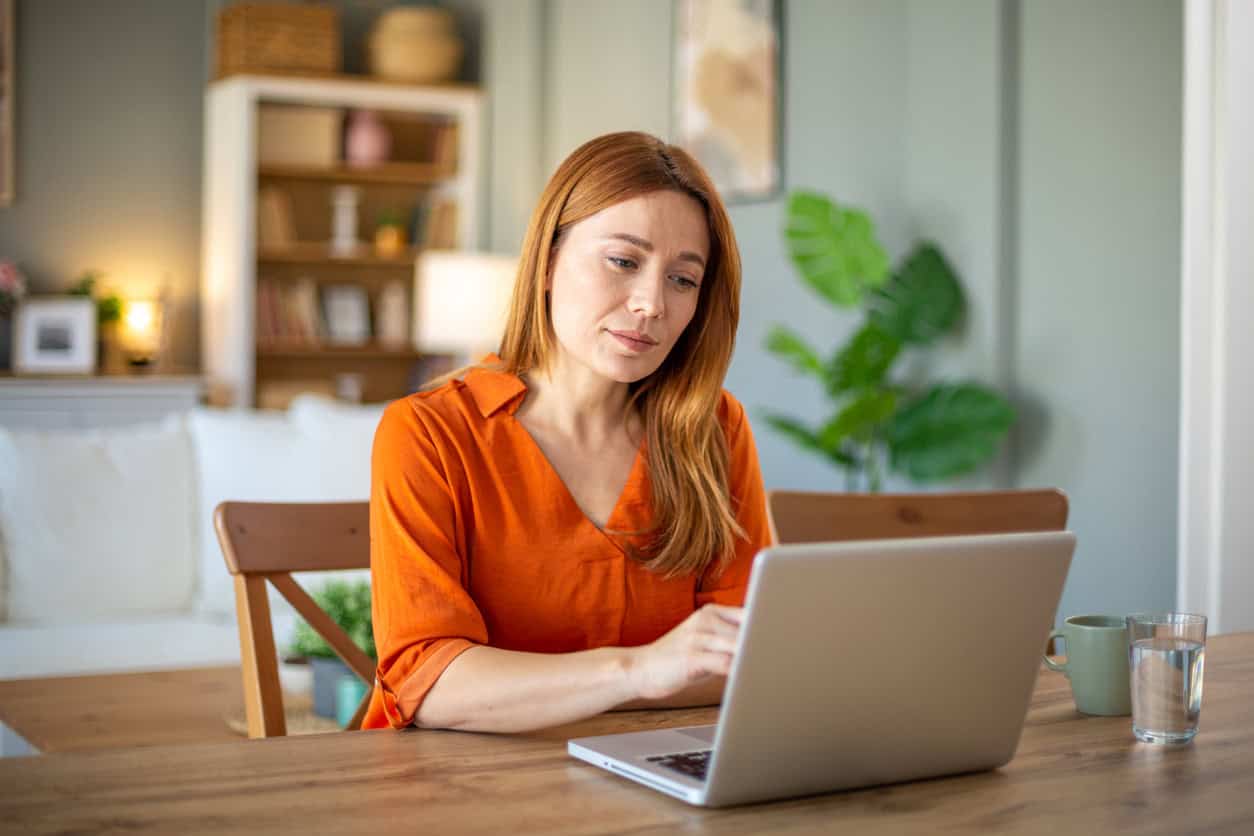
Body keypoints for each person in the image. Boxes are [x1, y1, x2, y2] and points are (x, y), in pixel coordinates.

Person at [363, 131, 771, 733]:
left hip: (645, 777)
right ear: (549, 262)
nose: (651, 304)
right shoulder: (428, 433)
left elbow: (745, 655)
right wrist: (639, 671)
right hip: (453, 786)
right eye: (624, 261)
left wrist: (563, 690)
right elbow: (431, 681)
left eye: (683, 279)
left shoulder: (713, 428)